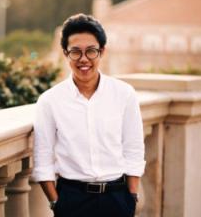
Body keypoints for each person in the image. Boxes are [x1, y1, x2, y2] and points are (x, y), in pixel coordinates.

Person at [33, 13, 145, 217]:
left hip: (117, 198)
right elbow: (43, 161)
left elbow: (133, 149)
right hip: (72, 200)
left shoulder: (124, 94)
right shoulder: (50, 101)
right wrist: (56, 203)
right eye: (75, 52)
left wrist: (131, 197)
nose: (84, 59)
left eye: (91, 51)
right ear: (66, 54)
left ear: (102, 51)